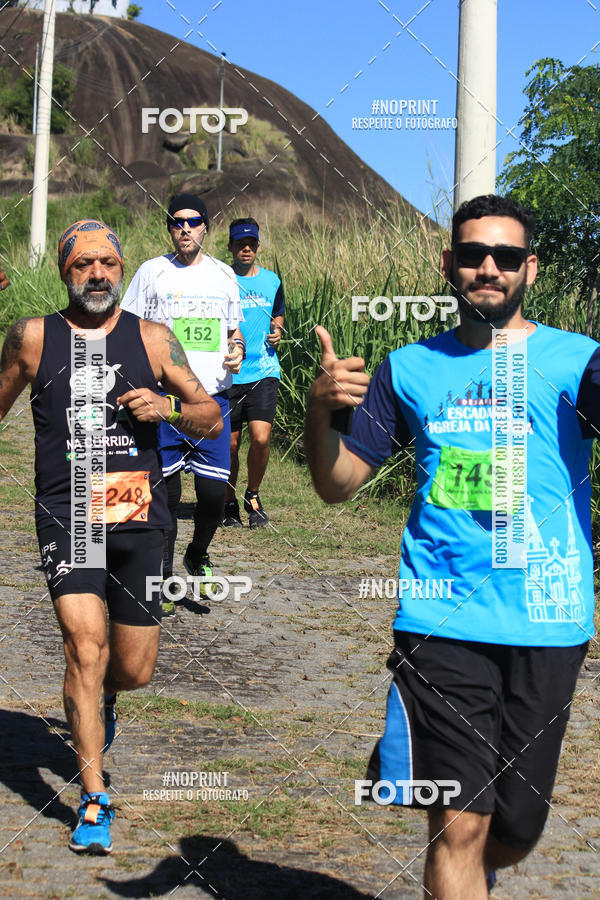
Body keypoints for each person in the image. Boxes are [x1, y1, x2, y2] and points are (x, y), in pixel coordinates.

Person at [304, 194, 599, 899]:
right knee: (458, 824)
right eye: (472, 255)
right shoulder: (408, 368)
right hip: (439, 620)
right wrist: (320, 411)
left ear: (530, 267)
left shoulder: (578, 361)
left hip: (548, 619)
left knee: (517, 826)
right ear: (449, 266)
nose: (487, 269)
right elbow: (338, 483)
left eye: (504, 257)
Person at [0, 219, 222, 854]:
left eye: (106, 263)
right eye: (81, 265)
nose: (96, 274)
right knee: (84, 649)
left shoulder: (153, 340)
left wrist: (170, 409)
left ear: (121, 269)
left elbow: (211, 417)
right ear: (63, 272)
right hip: (68, 513)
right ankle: (94, 797)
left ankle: (104, 706)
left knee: (133, 667)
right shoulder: (34, 338)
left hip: (139, 518)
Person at [120, 194, 244, 615]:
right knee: (166, 500)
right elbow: (128, 328)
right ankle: (166, 576)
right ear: (169, 228)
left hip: (213, 400)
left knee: (212, 498)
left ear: (206, 227)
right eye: (177, 222)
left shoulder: (225, 275)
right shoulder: (151, 273)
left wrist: (238, 348)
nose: (185, 228)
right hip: (166, 401)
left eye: (194, 222)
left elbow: (235, 332)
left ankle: (198, 553)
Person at [223, 217, 285, 528]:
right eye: (239, 244)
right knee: (231, 444)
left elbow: (279, 314)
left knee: (260, 439)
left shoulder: (272, 280)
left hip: (264, 370)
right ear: (230, 247)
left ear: (258, 247)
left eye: (251, 244)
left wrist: (278, 331)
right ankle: (228, 500)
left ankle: (253, 494)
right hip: (229, 373)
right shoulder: (221, 279)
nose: (246, 249)